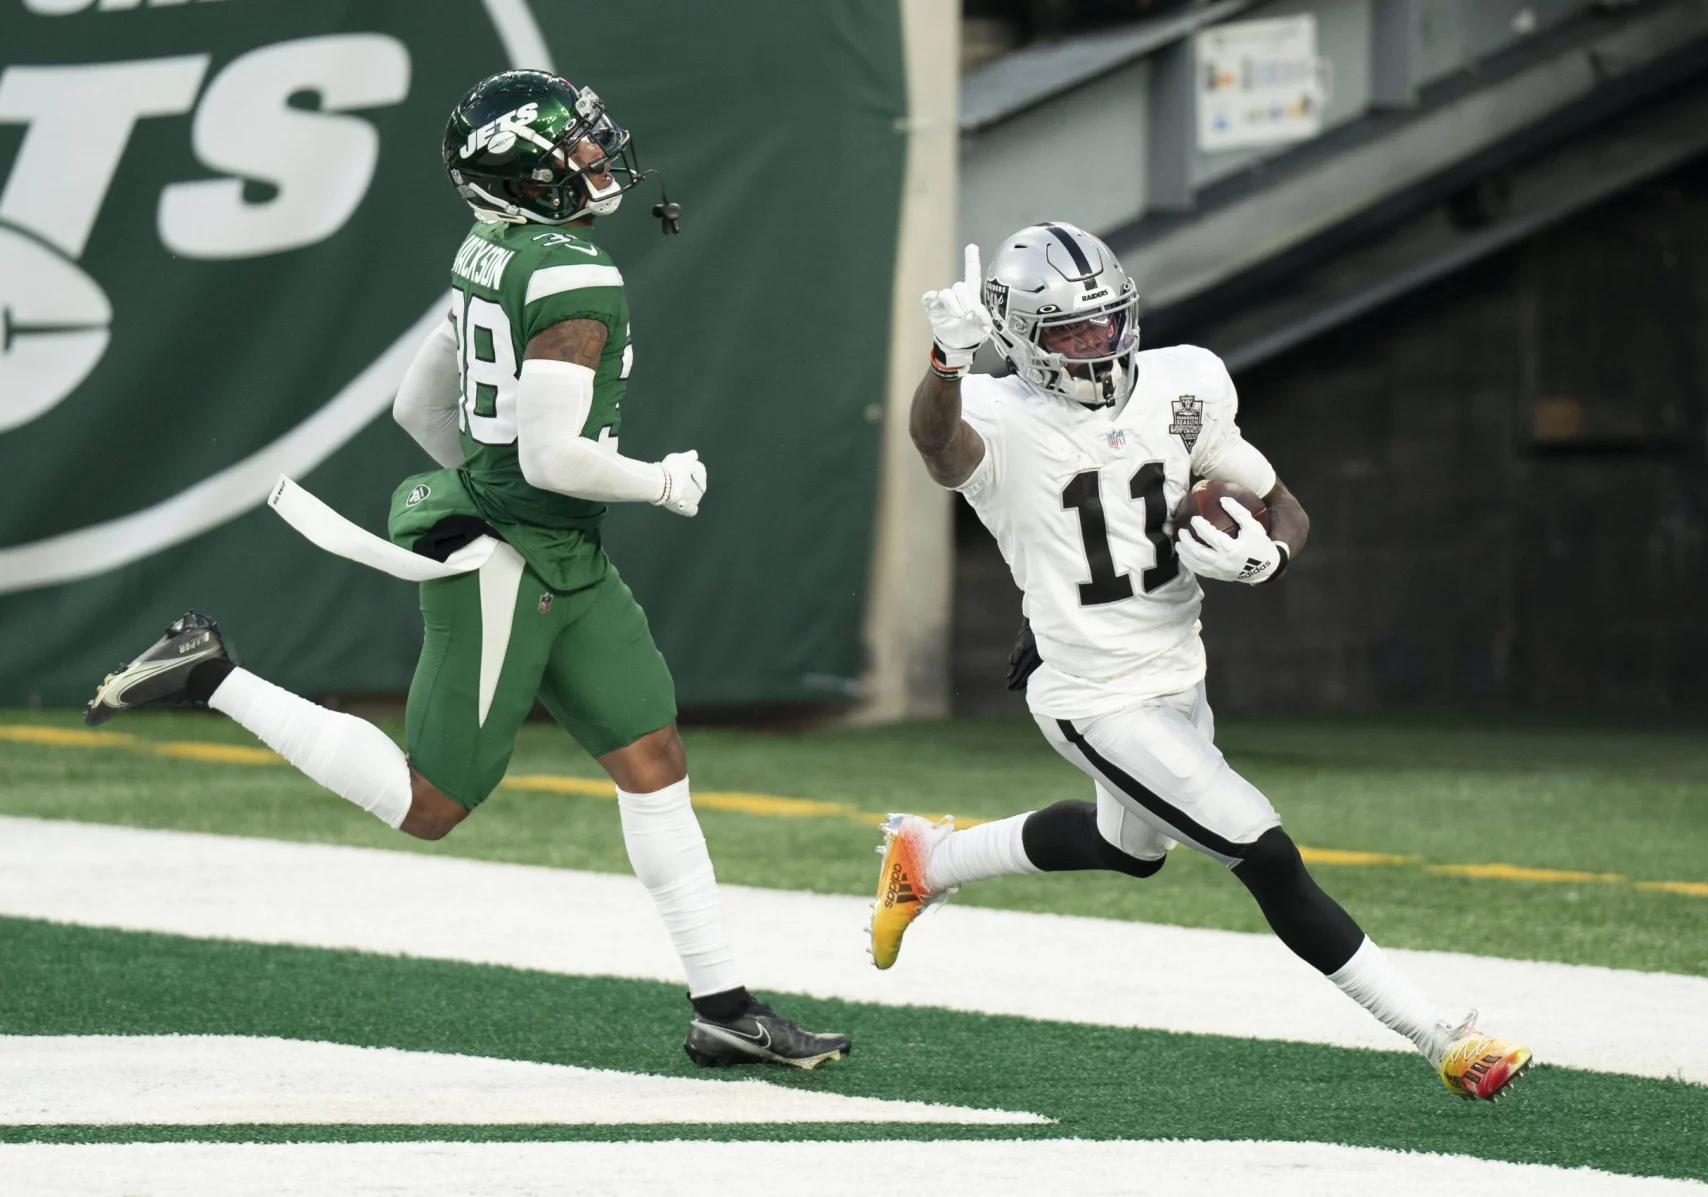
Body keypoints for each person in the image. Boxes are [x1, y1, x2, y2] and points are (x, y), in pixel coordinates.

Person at [84, 69, 848, 1072]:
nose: (596, 157)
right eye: (572, 148)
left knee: (654, 764)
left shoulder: (493, 248)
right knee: (430, 803)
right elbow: (550, 458)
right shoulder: (570, 272)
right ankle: (210, 672)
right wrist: (660, 482)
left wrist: (499, 486)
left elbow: (418, 408)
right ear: (526, 174)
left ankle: (724, 1008)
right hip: (510, 560)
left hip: (557, 552)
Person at [871, 225, 1528, 1100]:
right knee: (1264, 851)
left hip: (1179, 669)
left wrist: (1272, 556)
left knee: (1131, 848)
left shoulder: (1187, 381)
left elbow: (1278, 501)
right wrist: (947, 365)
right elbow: (937, 446)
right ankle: (1443, 1037)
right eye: (1068, 332)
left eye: (1105, 324)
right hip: (1093, 692)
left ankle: (929, 858)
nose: (1095, 346)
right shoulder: (997, 413)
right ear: (1022, 338)